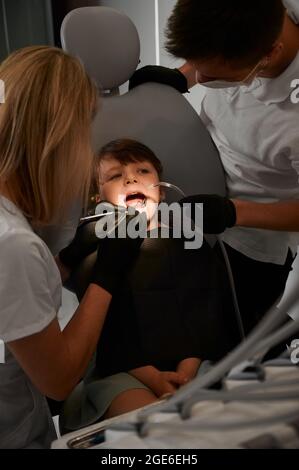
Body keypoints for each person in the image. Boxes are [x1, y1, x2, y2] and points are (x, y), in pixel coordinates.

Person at [0, 46, 142, 449]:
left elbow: (13, 304)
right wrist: (107, 276)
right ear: (60, 136)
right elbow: (59, 380)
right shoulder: (12, 243)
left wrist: (63, 260)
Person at [129, 0, 299, 334]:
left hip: (258, 243)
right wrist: (181, 77)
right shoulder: (251, 19)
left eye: (214, 75)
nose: (200, 78)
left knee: (237, 334)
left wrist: (234, 213)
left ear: (268, 54)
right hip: (206, 210)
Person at [60, 139, 238, 433]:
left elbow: (204, 315)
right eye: (116, 175)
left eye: (142, 171)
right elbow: (109, 334)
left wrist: (186, 373)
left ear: (162, 189)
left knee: (214, 421)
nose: (130, 178)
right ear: (97, 198)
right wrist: (155, 380)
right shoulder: (97, 253)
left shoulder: (190, 243)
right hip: (121, 370)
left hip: (194, 364)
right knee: (156, 428)